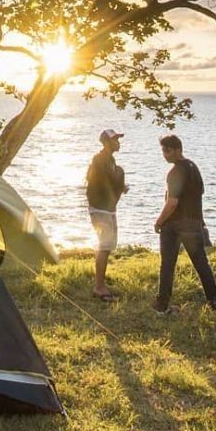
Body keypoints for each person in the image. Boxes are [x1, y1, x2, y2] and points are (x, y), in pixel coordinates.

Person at [153, 135, 216, 312]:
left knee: (168, 264)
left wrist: (159, 221)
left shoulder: (175, 172)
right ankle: (215, 301)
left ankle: (162, 304)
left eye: (168, 150)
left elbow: (172, 203)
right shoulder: (193, 167)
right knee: (201, 263)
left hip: (175, 224)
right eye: (163, 150)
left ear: (178, 149)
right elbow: (198, 195)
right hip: (193, 222)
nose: (165, 154)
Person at [86, 128, 128, 301]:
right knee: (104, 246)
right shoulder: (100, 160)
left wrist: (120, 185)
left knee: (107, 246)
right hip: (101, 209)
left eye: (118, 138)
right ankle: (99, 288)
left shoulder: (109, 160)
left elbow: (110, 183)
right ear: (106, 143)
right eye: (114, 139)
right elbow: (102, 183)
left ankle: (101, 283)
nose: (118, 142)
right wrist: (119, 181)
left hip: (108, 208)